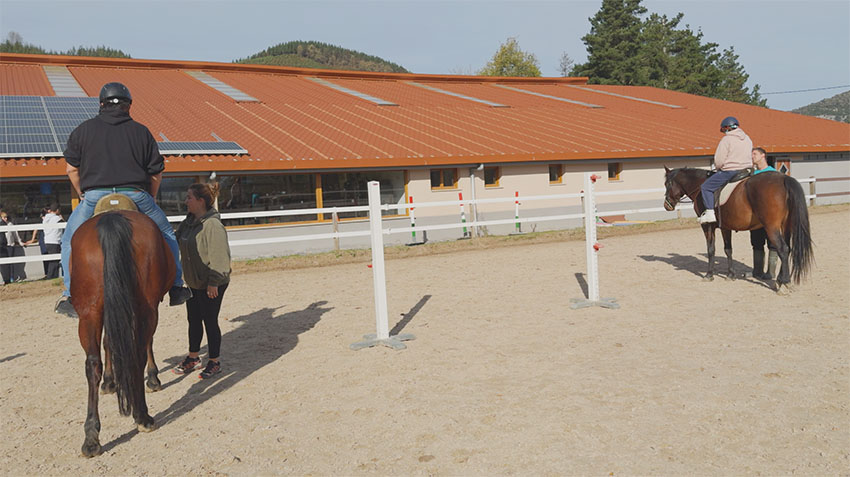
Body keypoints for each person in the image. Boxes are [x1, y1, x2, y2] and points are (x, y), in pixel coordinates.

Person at [55, 82, 192, 318]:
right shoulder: (141, 131)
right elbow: (156, 172)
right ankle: (178, 286)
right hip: (136, 194)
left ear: (101, 104)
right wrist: (151, 196)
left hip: (95, 195)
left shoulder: (83, 130)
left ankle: (69, 293)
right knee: (167, 233)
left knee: (69, 240)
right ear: (129, 105)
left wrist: (82, 194)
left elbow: (71, 170)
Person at [173, 183, 231, 379]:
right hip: (194, 282)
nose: (185, 200)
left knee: (210, 321)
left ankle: (215, 361)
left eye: (189, 197)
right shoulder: (188, 222)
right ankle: (193, 357)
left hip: (212, 282)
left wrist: (213, 282)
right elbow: (175, 239)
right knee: (194, 319)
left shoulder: (212, 225)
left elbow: (220, 258)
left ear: (200, 201)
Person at [698, 116, 754, 224]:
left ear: (726, 128)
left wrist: (718, 167)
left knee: (706, 187)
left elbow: (719, 159)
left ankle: (710, 213)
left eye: (724, 130)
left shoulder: (727, 139)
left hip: (730, 171)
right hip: (747, 171)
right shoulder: (747, 138)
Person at [749, 147, 779, 280]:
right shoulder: (753, 174)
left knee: (772, 242)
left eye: (754, 154)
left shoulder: (773, 174)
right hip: (755, 216)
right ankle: (757, 271)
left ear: (763, 156)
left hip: (770, 215)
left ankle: (771, 272)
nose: (752, 156)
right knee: (756, 242)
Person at [1, 211, 27, 282]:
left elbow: (16, 235)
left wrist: (20, 242)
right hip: (4, 246)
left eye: (6, 217)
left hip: (10, 246)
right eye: (4, 217)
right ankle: (6, 278)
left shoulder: (10, 224)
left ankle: (12, 277)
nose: (5, 219)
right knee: (5, 264)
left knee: (11, 262)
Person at [25, 207, 50, 276]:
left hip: (50, 240)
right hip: (43, 240)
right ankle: (47, 273)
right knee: (45, 256)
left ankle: (51, 273)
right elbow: (36, 229)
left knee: (51, 256)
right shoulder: (41, 221)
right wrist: (32, 239)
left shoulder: (52, 219)